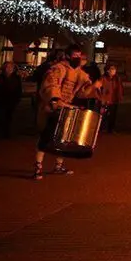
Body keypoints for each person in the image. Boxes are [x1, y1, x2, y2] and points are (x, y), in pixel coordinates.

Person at [33, 44, 98, 180]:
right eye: (75, 55)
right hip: (52, 107)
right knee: (45, 137)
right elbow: (51, 85)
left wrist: (93, 86)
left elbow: (81, 93)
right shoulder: (58, 69)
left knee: (64, 138)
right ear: (67, 56)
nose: (78, 58)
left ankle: (58, 166)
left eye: (79, 56)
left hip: (66, 107)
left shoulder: (80, 72)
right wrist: (55, 99)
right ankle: (38, 167)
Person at [0, 62, 22, 140]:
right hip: (1, 100)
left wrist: (17, 99)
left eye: (11, 67)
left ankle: (6, 133)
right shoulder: (0, 77)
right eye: (7, 67)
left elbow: (19, 90)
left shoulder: (16, 78)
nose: (9, 69)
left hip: (11, 101)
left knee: (8, 117)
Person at [98, 64, 124, 133]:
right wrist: (101, 98)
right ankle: (101, 128)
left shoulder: (117, 78)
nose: (113, 70)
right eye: (111, 69)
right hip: (105, 100)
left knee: (113, 115)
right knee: (103, 115)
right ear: (107, 70)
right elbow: (98, 88)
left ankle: (111, 128)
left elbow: (120, 88)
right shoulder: (103, 78)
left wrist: (119, 97)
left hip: (114, 99)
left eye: (114, 69)